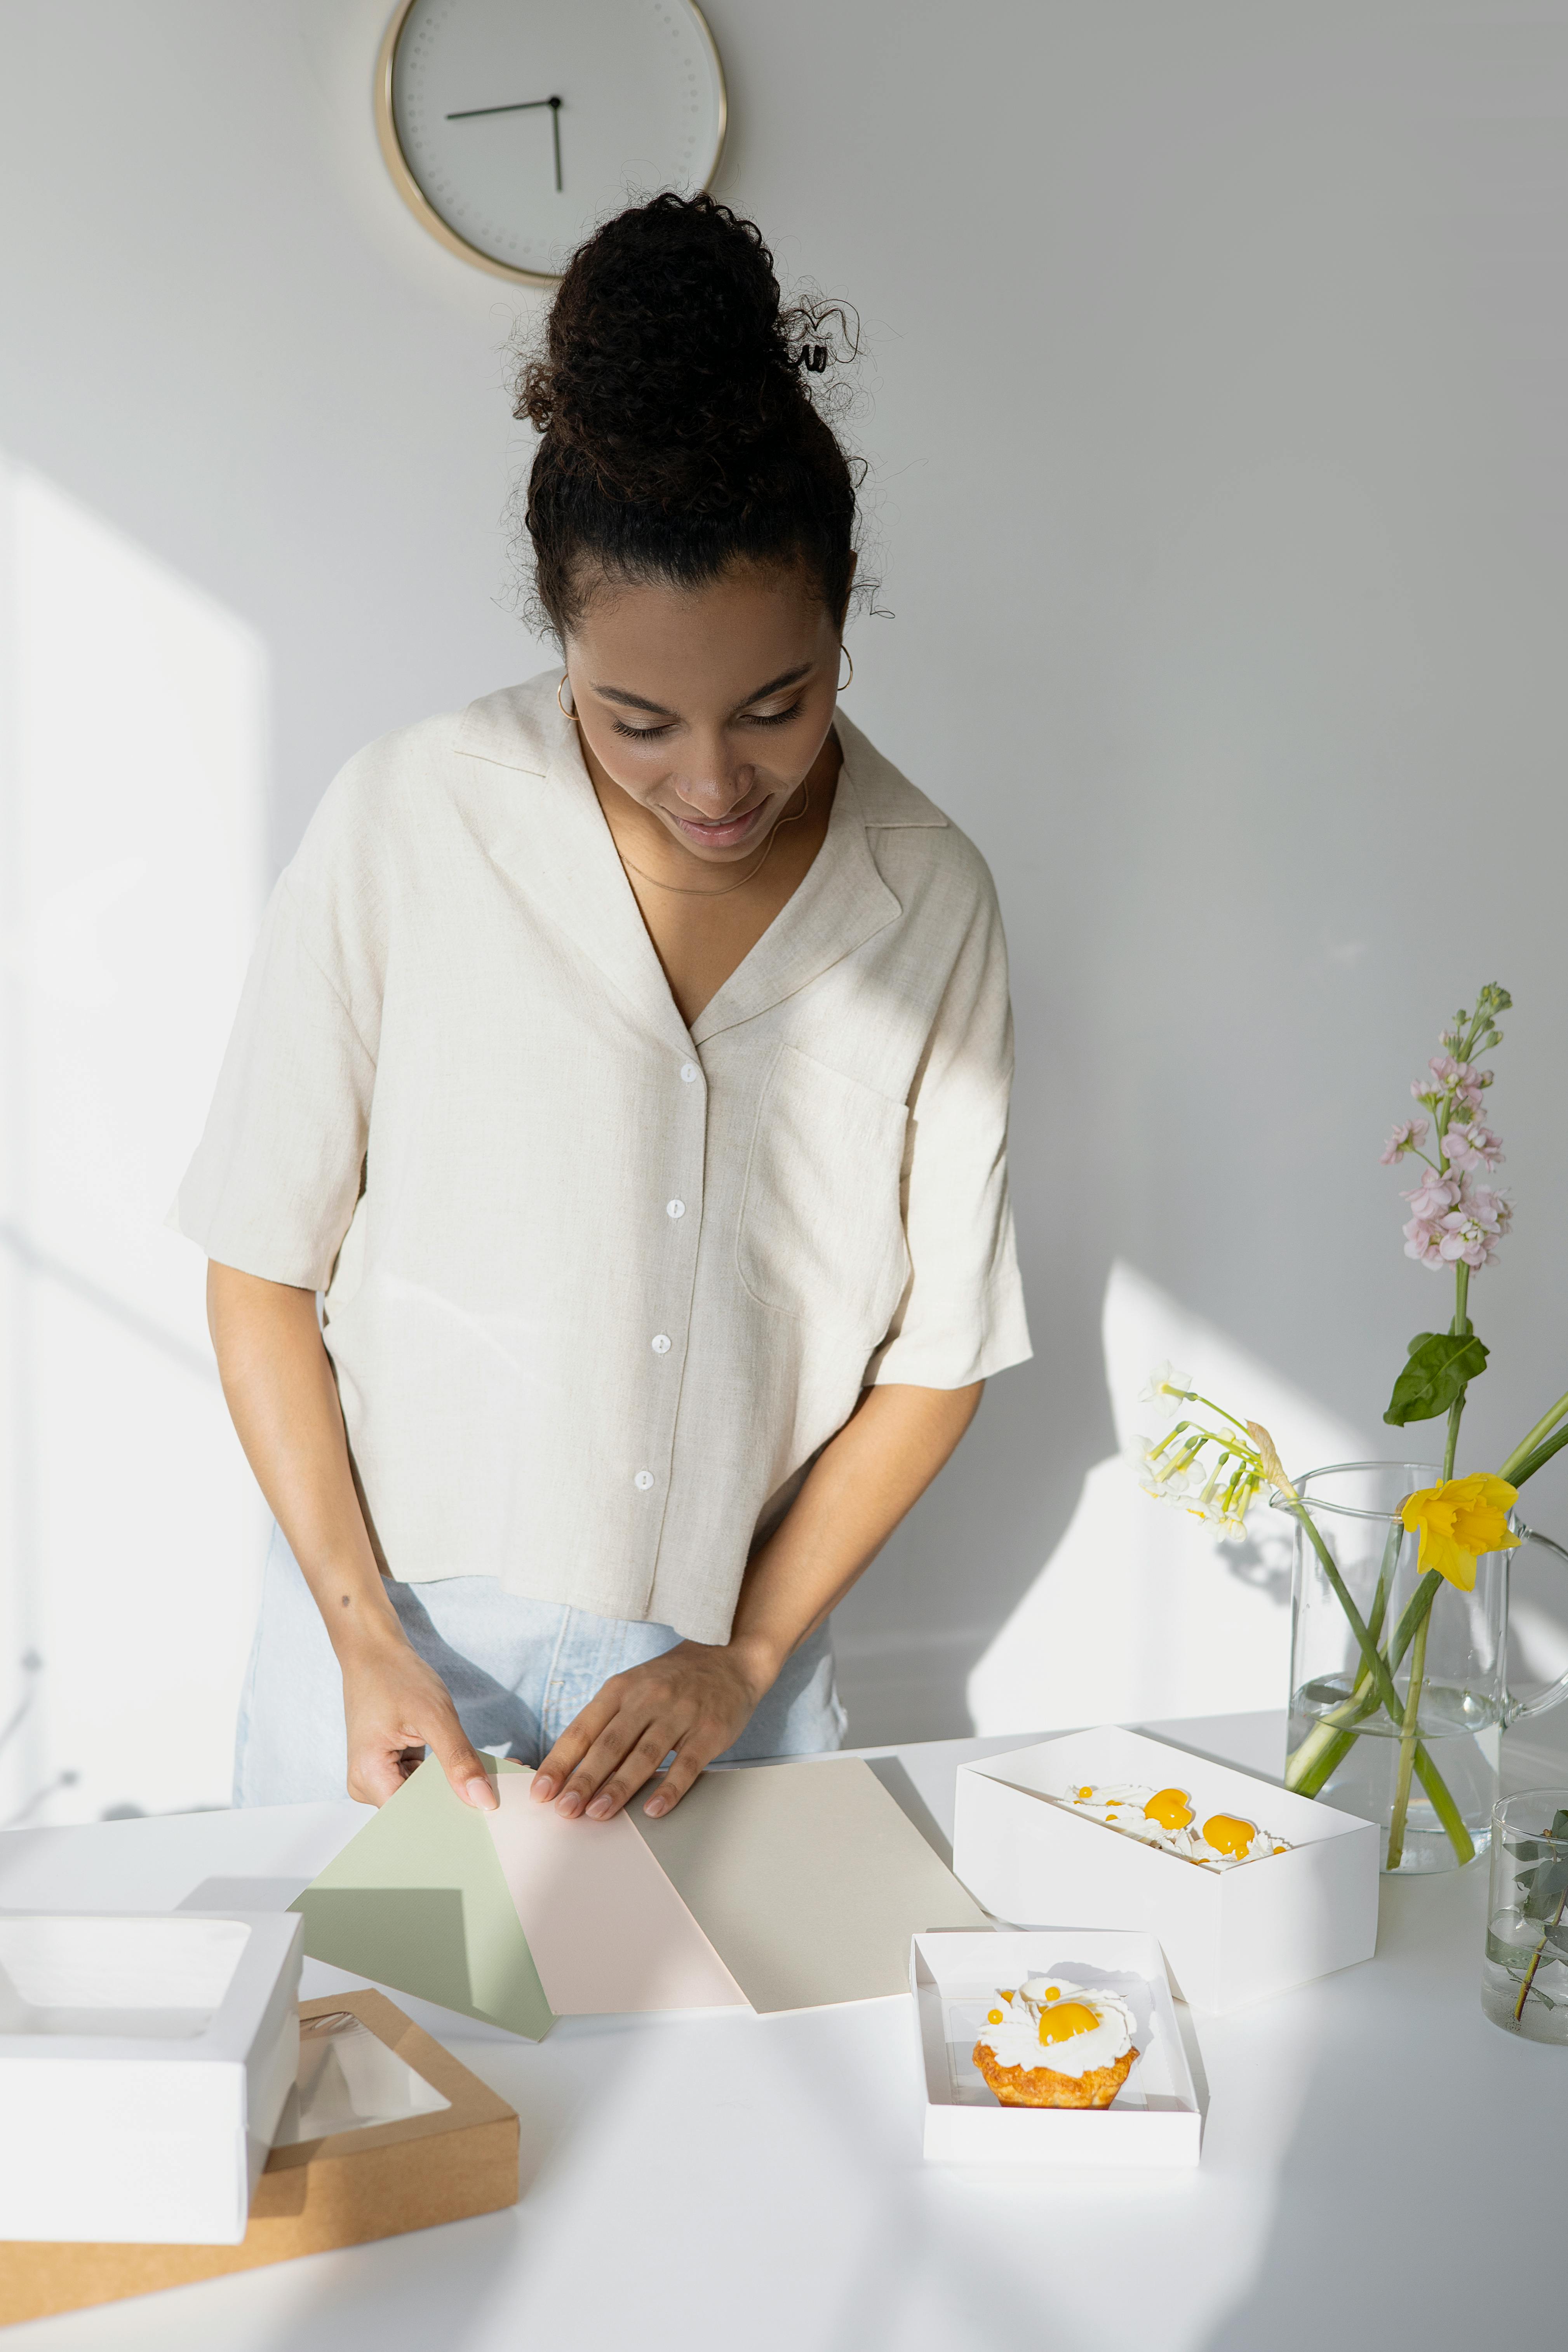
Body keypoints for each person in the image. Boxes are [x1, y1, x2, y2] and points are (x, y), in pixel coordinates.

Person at [174, 193, 1030, 1827]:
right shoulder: (410, 816)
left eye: (776, 704)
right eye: (633, 717)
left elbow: (938, 1355)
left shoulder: (930, 899)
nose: (713, 780)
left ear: (845, 622)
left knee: (750, 2086)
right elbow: (260, 1261)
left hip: (722, 1701)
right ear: (559, 638)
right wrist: (363, 1639)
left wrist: (740, 1651)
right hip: (393, 1675)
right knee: (379, 2083)